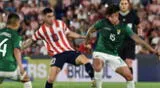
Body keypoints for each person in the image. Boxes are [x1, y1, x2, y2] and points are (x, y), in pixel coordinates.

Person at [85, 5, 157, 88]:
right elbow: (90, 30)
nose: (110, 19)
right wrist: (86, 40)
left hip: (113, 55)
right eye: (109, 17)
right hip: (100, 52)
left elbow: (138, 39)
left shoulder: (124, 27)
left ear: (117, 15)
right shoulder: (102, 22)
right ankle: (97, 85)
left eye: (112, 17)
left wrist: (152, 50)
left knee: (129, 76)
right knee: (98, 65)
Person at [21, 8, 95, 88]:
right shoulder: (41, 31)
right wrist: (21, 47)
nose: (52, 18)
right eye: (49, 16)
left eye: (53, 16)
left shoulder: (60, 23)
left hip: (69, 51)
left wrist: (82, 36)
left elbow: (69, 33)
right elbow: (31, 40)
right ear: (44, 17)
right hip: (57, 55)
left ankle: (94, 80)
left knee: (85, 60)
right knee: (51, 79)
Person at [0, 13, 32, 88]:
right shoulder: (16, 35)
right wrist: (21, 68)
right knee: (26, 79)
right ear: (17, 23)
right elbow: (16, 51)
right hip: (10, 68)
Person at [118, 0, 140, 86]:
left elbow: (139, 25)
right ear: (119, 5)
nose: (123, 5)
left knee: (129, 62)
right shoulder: (116, 15)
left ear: (128, 5)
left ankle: (130, 83)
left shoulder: (133, 14)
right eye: (122, 4)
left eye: (125, 4)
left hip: (130, 42)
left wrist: (139, 37)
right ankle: (128, 79)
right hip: (119, 43)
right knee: (122, 66)